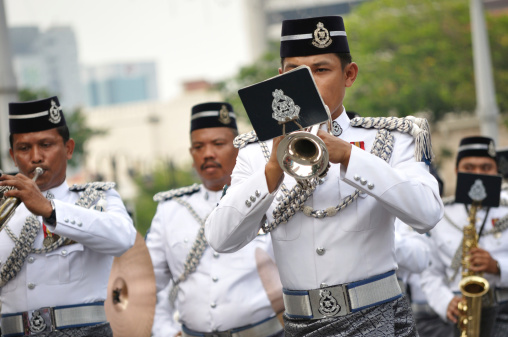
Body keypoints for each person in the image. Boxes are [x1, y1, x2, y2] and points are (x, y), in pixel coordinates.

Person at [205, 15, 443, 336]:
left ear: (349, 74)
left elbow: (427, 214)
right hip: (299, 324)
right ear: (279, 77)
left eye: (320, 70)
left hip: (379, 319)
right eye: (295, 73)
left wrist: (349, 156)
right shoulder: (255, 153)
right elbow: (221, 239)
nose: (308, 84)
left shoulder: (392, 138)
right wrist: (272, 172)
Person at [0, 96, 136, 337]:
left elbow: (123, 239)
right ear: (12, 155)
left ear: (69, 148)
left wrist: (52, 211)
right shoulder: (5, 208)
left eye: (46, 145)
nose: (35, 157)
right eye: (24, 148)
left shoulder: (97, 198)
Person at [146, 102, 284, 337]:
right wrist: (165, 331)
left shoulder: (273, 196)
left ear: (238, 148)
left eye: (218, 144)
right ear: (191, 154)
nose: (208, 153)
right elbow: (149, 285)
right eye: (198, 146)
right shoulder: (170, 210)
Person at [420, 136, 508, 337]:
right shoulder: (441, 214)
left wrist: (498, 266)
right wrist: (445, 303)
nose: (477, 174)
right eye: (469, 168)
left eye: (486, 168)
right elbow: (429, 273)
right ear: (457, 171)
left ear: (497, 171)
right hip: (462, 314)